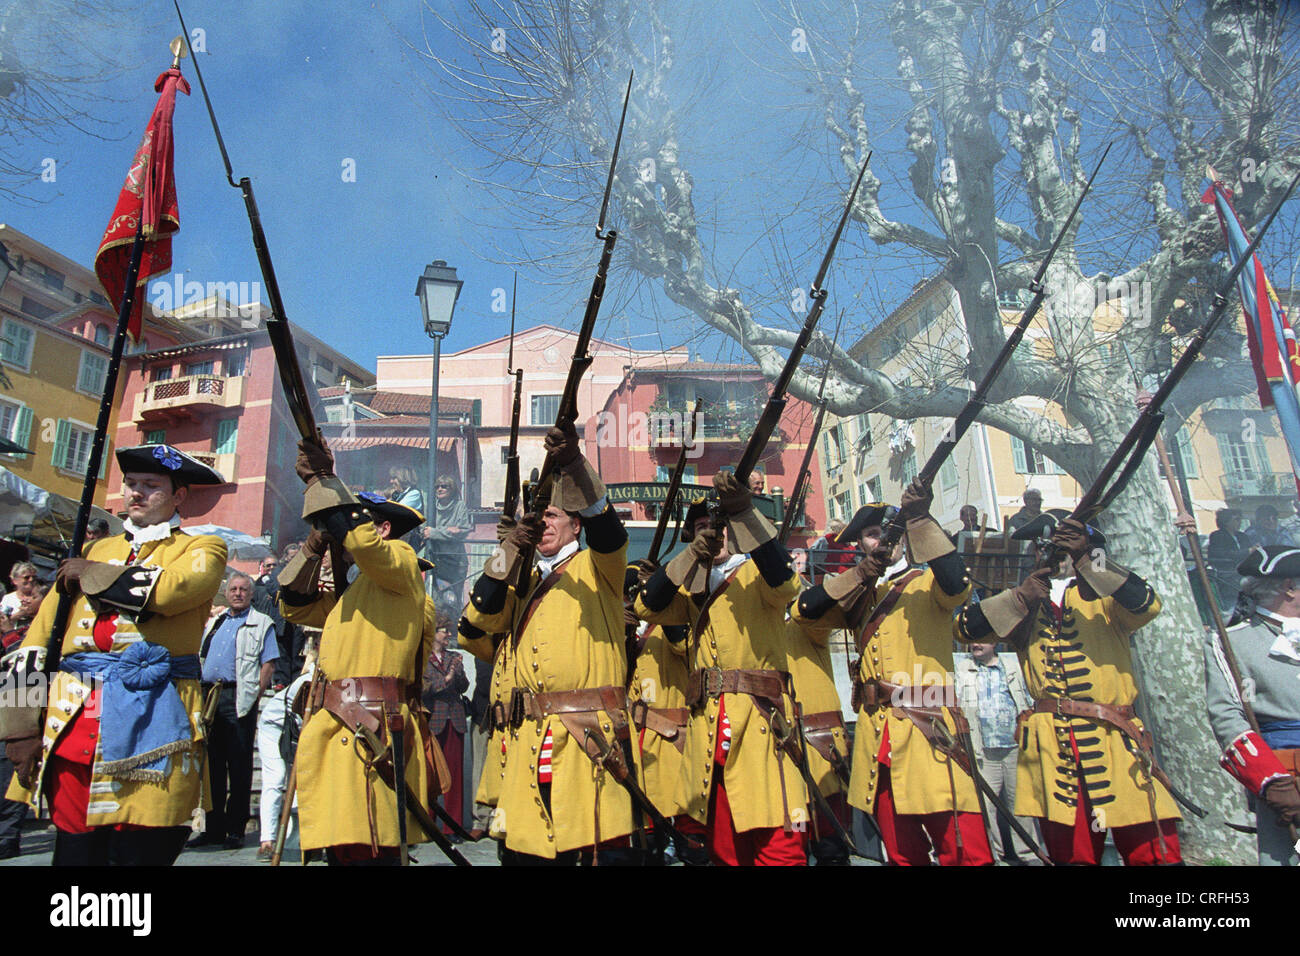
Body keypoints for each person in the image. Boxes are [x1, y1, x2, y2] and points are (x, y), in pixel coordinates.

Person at [2, 443, 226, 866]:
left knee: (141, 854)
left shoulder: (203, 548)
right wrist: (19, 726)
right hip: (72, 725)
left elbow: (172, 590)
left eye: (151, 486)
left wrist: (92, 575)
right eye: (131, 484)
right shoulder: (93, 550)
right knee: (72, 855)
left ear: (179, 495)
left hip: (156, 730)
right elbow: (36, 641)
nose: (136, 493)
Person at [956, 515, 1182, 865]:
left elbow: (1147, 603)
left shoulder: (1107, 593)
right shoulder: (1022, 602)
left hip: (1115, 739)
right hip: (1052, 747)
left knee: (1152, 854)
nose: (1050, 553)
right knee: (1073, 858)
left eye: (1061, 547)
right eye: (1042, 547)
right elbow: (966, 629)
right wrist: (1019, 596)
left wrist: (1091, 559)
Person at [463, 417, 638, 865]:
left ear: (575, 526)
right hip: (527, 745)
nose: (542, 524)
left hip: (588, 744)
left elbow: (609, 529)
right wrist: (508, 551)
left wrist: (575, 464)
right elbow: (474, 624)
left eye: (552, 516)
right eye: (535, 519)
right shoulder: (521, 579)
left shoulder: (599, 568)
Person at [793, 482, 991, 866]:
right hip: (877, 735)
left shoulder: (928, 581)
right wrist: (859, 575)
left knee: (964, 851)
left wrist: (919, 518)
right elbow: (805, 611)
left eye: (888, 529)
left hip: (930, 728)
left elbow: (957, 583)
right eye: (871, 533)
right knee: (902, 854)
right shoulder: (857, 594)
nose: (882, 538)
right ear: (860, 546)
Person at [277, 436, 438, 865]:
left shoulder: (403, 566)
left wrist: (324, 481)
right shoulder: (357, 589)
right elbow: (291, 605)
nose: (345, 534)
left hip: (373, 726)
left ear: (382, 529)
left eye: (358, 523)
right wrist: (313, 547)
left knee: (371, 845)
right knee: (344, 847)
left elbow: (364, 546)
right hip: (336, 723)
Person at [635, 474, 809, 866]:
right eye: (700, 529)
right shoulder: (692, 588)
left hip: (761, 728)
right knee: (725, 852)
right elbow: (647, 606)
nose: (712, 534)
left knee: (780, 848)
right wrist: (689, 556)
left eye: (717, 528)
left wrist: (743, 510)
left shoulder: (757, 574)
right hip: (709, 735)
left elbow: (785, 582)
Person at [1204, 545, 1300, 865]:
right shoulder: (1232, 642)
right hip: (1287, 777)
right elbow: (1228, 716)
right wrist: (1271, 781)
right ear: (1289, 587)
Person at [194, 571, 277, 850]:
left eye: (243, 589)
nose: (238, 593)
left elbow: (268, 664)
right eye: (233, 589)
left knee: (239, 766)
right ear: (227, 593)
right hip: (210, 697)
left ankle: (235, 830)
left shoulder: (261, 622)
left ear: (251, 594)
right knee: (212, 767)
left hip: (238, 697)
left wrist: (255, 695)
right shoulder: (216, 622)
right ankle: (212, 829)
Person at [953, 640, 1036, 863]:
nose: (975, 644)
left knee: (1020, 804)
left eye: (982, 639)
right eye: (973, 640)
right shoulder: (962, 669)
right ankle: (995, 854)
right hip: (983, 751)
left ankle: (1027, 854)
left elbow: (1028, 700)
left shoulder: (1013, 666)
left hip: (1013, 747)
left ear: (994, 642)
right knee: (985, 807)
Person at [422, 610, 469, 837]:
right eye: (444, 631)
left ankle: (453, 826)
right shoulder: (422, 660)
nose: (448, 635)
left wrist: (458, 676)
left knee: (455, 773)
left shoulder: (453, 657)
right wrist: (446, 680)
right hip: (433, 720)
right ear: (434, 633)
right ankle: (429, 824)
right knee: (431, 774)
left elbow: (463, 687)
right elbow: (425, 689)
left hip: (455, 720)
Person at [421, 474, 471, 604]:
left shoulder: (460, 506)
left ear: (452, 489)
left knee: (452, 601)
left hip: (455, 562)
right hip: (435, 560)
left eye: (444, 486)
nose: (440, 489)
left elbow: (462, 531)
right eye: (437, 486)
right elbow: (423, 530)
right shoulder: (430, 507)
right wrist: (448, 531)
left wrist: (435, 533)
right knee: (434, 601)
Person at [1207, 508, 1249, 611]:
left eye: (1240, 520)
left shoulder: (1242, 536)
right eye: (1236, 520)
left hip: (1245, 571)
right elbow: (1224, 554)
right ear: (1226, 522)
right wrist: (1247, 552)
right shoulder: (1217, 536)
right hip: (1228, 573)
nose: (1239, 523)